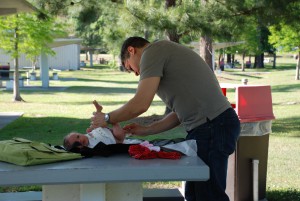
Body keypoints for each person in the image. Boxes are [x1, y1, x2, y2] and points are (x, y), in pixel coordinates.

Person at [88, 37, 240, 201]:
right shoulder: (163, 52)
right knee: (194, 195)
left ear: (132, 50)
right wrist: (147, 130)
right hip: (210, 126)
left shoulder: (153, 51)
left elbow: (141, 103)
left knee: (209, 196)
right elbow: (179, 113)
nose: (137, 74)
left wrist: (107, 117)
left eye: (130, 68)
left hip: (214, 126)